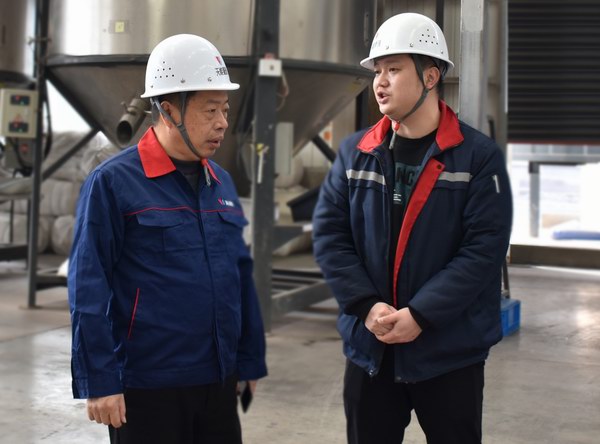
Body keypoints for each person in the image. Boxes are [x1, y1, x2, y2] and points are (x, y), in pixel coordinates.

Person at [312, 12, 512, 444]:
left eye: (394, 69)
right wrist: (367, 306)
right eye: (377, 71)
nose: (380, 82)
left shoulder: (477, 158)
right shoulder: (355, 153)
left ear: (430, 77)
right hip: (372, 348)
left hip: (448, 352)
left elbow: (483, 250)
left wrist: (422, 315)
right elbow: (330, 236)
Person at [68, 34, 267, 444]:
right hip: (148, 387)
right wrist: (99, 380)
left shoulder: (221, 182)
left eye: (225, 109)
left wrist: (249, 359)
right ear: (168, 109)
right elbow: (88, 285)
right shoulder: (114, 183)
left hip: (218, 379)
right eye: (210, 110)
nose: (222, 122)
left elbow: (239, 275)